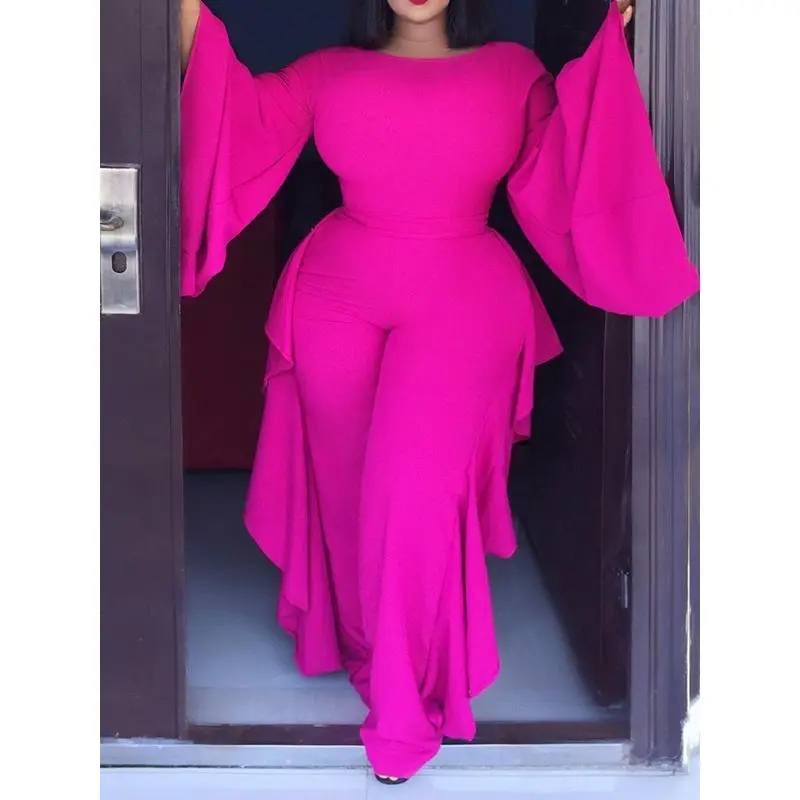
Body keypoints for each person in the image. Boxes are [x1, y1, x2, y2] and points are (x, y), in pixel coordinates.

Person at [179, 0, 699, 784]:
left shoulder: (514, 74)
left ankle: (402, 708)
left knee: (412, 493)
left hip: (466, 297)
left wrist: (606, 54)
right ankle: (369, 650)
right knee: (347, 496)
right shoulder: (325, 74)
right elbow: (234, 120)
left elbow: (571, 168)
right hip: (334, 299)